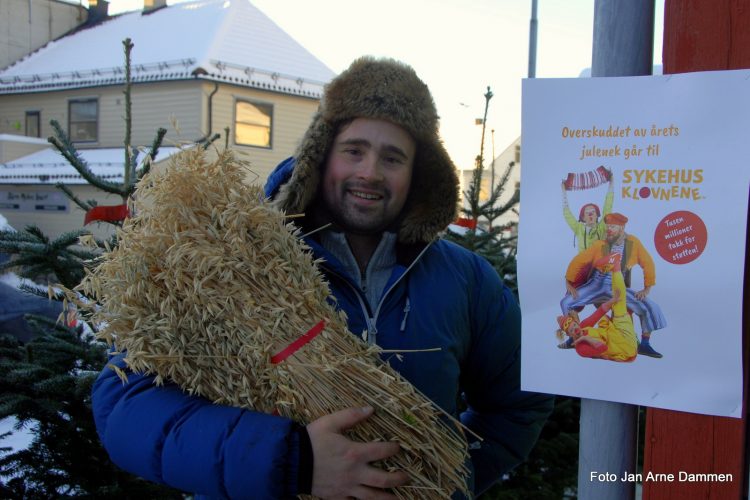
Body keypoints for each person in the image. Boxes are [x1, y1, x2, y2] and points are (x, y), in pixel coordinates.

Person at [91, 57, 554, 499]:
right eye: (354, 151)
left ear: (419, 174)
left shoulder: (467, 279)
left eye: (393, 158)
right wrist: (294, 461)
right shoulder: (232, 261)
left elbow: (520, 402)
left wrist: (446, 480)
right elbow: (123, 408)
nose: (369, 173)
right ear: (321, 154)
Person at [559, 212, 667, 358]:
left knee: (650, 306)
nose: (608, 230)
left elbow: (647, 262)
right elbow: (579, 261)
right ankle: (574, 337)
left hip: (616, 284)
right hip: (596, 284)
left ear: (622, 228)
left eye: (613, 227)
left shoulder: (633, 243)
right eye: (608, 226)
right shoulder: (600, 244)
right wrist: (568, 282)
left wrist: (647, 288)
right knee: (566, 302)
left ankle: (645, 345)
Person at [556, 253, 638, 362]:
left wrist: (612, 301)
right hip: (625, 349)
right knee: (621, 308)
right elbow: (604, 348)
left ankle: (616, 265)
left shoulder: (583, 326)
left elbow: (599, 312)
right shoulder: (581, 349)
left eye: (575, 325)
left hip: (617, 335)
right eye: (572, 330)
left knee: (618, 301)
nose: (576, 328)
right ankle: (615, 266)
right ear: (568, 334)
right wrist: (586, 338)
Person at [561, 168, 613, 253]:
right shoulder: (579, 228)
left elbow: (608, 207)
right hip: (584, 264)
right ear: (583, 218)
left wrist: (611, 184)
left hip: (600, 264)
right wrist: (563, 192)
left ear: (597, 216)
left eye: (593, 212)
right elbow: (567, 213)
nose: (590, 214)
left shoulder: (601, 227)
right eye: (587, 213)